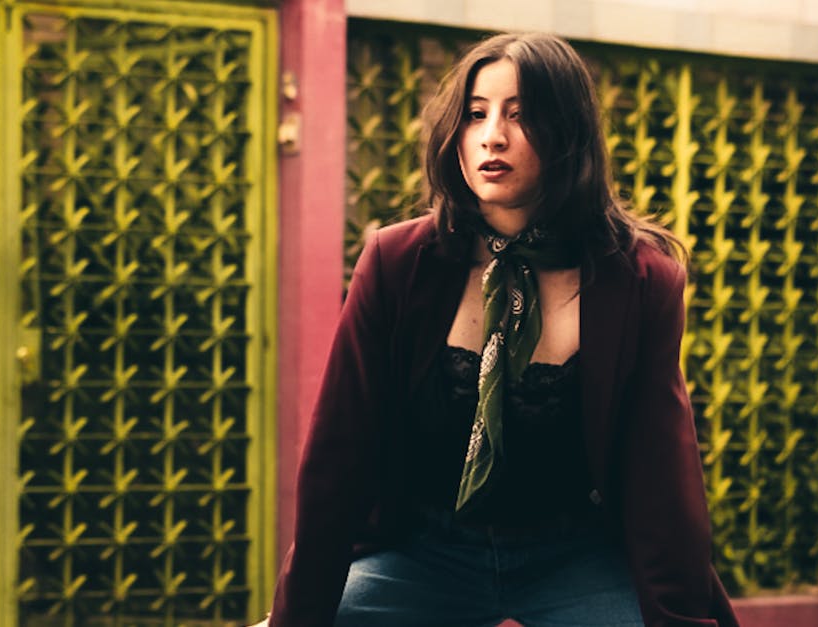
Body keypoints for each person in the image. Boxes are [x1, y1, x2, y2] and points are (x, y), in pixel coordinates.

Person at [256, 32, 739, 627]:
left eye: (520, 114)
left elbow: (660, 470)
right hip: (424, 553)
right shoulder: (397, 263)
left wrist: (679, 617)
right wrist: (299, 615)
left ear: (566, 132)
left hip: (577, 557)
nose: (492, 136)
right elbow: (339, 452)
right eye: (476, 114)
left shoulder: (638, 280)